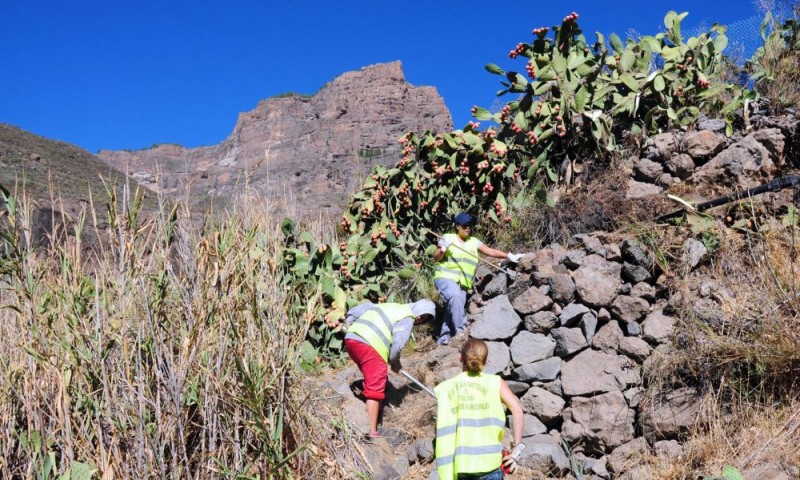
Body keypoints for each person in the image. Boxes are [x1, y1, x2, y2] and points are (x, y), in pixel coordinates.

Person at [435, 338, 526, 479]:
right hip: (490, 464)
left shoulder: (447, 388)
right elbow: (518, 411)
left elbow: (441, 426)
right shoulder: (495, 383)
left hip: (462, 466)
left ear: (460, 358)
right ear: (486, 360)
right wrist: (516, 450)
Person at [344, 299, 436, 437]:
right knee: (375, 389)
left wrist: (349, 319)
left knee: (377, 380)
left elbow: (364, 307)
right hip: (371, 345)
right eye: (421, 314)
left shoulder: (393, 306)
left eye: (423, 319)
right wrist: (394, 362)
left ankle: (375, 415)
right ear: (416, 309)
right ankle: (371, 432)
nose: (419, 318)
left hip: (352, 339)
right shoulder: (407, 317)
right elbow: (397, 346)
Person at [433, 213, 523, 345]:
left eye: (470, 225)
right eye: (465, 226)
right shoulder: (448, 237)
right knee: (455, 297)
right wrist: (443, 249)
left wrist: (509, 256)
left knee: (452, 308)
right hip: (445, 277)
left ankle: (443, 340)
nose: (468, 228)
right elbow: (436, 258)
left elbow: (491, 251)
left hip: (463, 283)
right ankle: (462, 332)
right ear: (457, 226)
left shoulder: (474, 241)